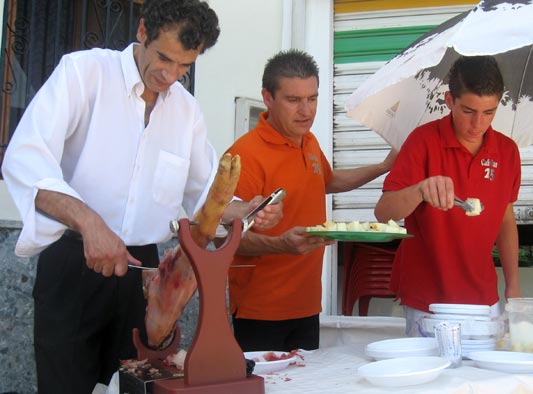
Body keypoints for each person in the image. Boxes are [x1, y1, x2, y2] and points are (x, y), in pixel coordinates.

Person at [1, 1, 280, 393]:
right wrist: (89, 221)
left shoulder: (186, 111)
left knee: (140, 386)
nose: (169, 75)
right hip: (73, 261)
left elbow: (204, 201)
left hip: (146, 278)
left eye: (185, 66)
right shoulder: (83, 73)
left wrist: (245, 210)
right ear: (143, 31)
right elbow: (24, 159)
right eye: (163, 58)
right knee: (64, 385)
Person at [226, 49, 397, 352]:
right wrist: (282, 245)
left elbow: (327, 182)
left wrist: (383, 167)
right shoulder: (245, 155)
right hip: (261, 310)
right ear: (268, 97)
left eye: (312, 98)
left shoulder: (309, 141)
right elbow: (229, 240)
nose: (306, 111)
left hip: (306, 305)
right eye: (293, 100)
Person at [374, 55, 522, 336]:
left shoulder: (507, 151)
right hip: (428, 300)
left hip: (484, 299)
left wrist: (512, 286)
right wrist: (420, 190)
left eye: (489, 112)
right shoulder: (423, 141)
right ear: (449, 100)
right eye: (468, 111)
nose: (478, 123)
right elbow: (384, 211)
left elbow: (505, 219)